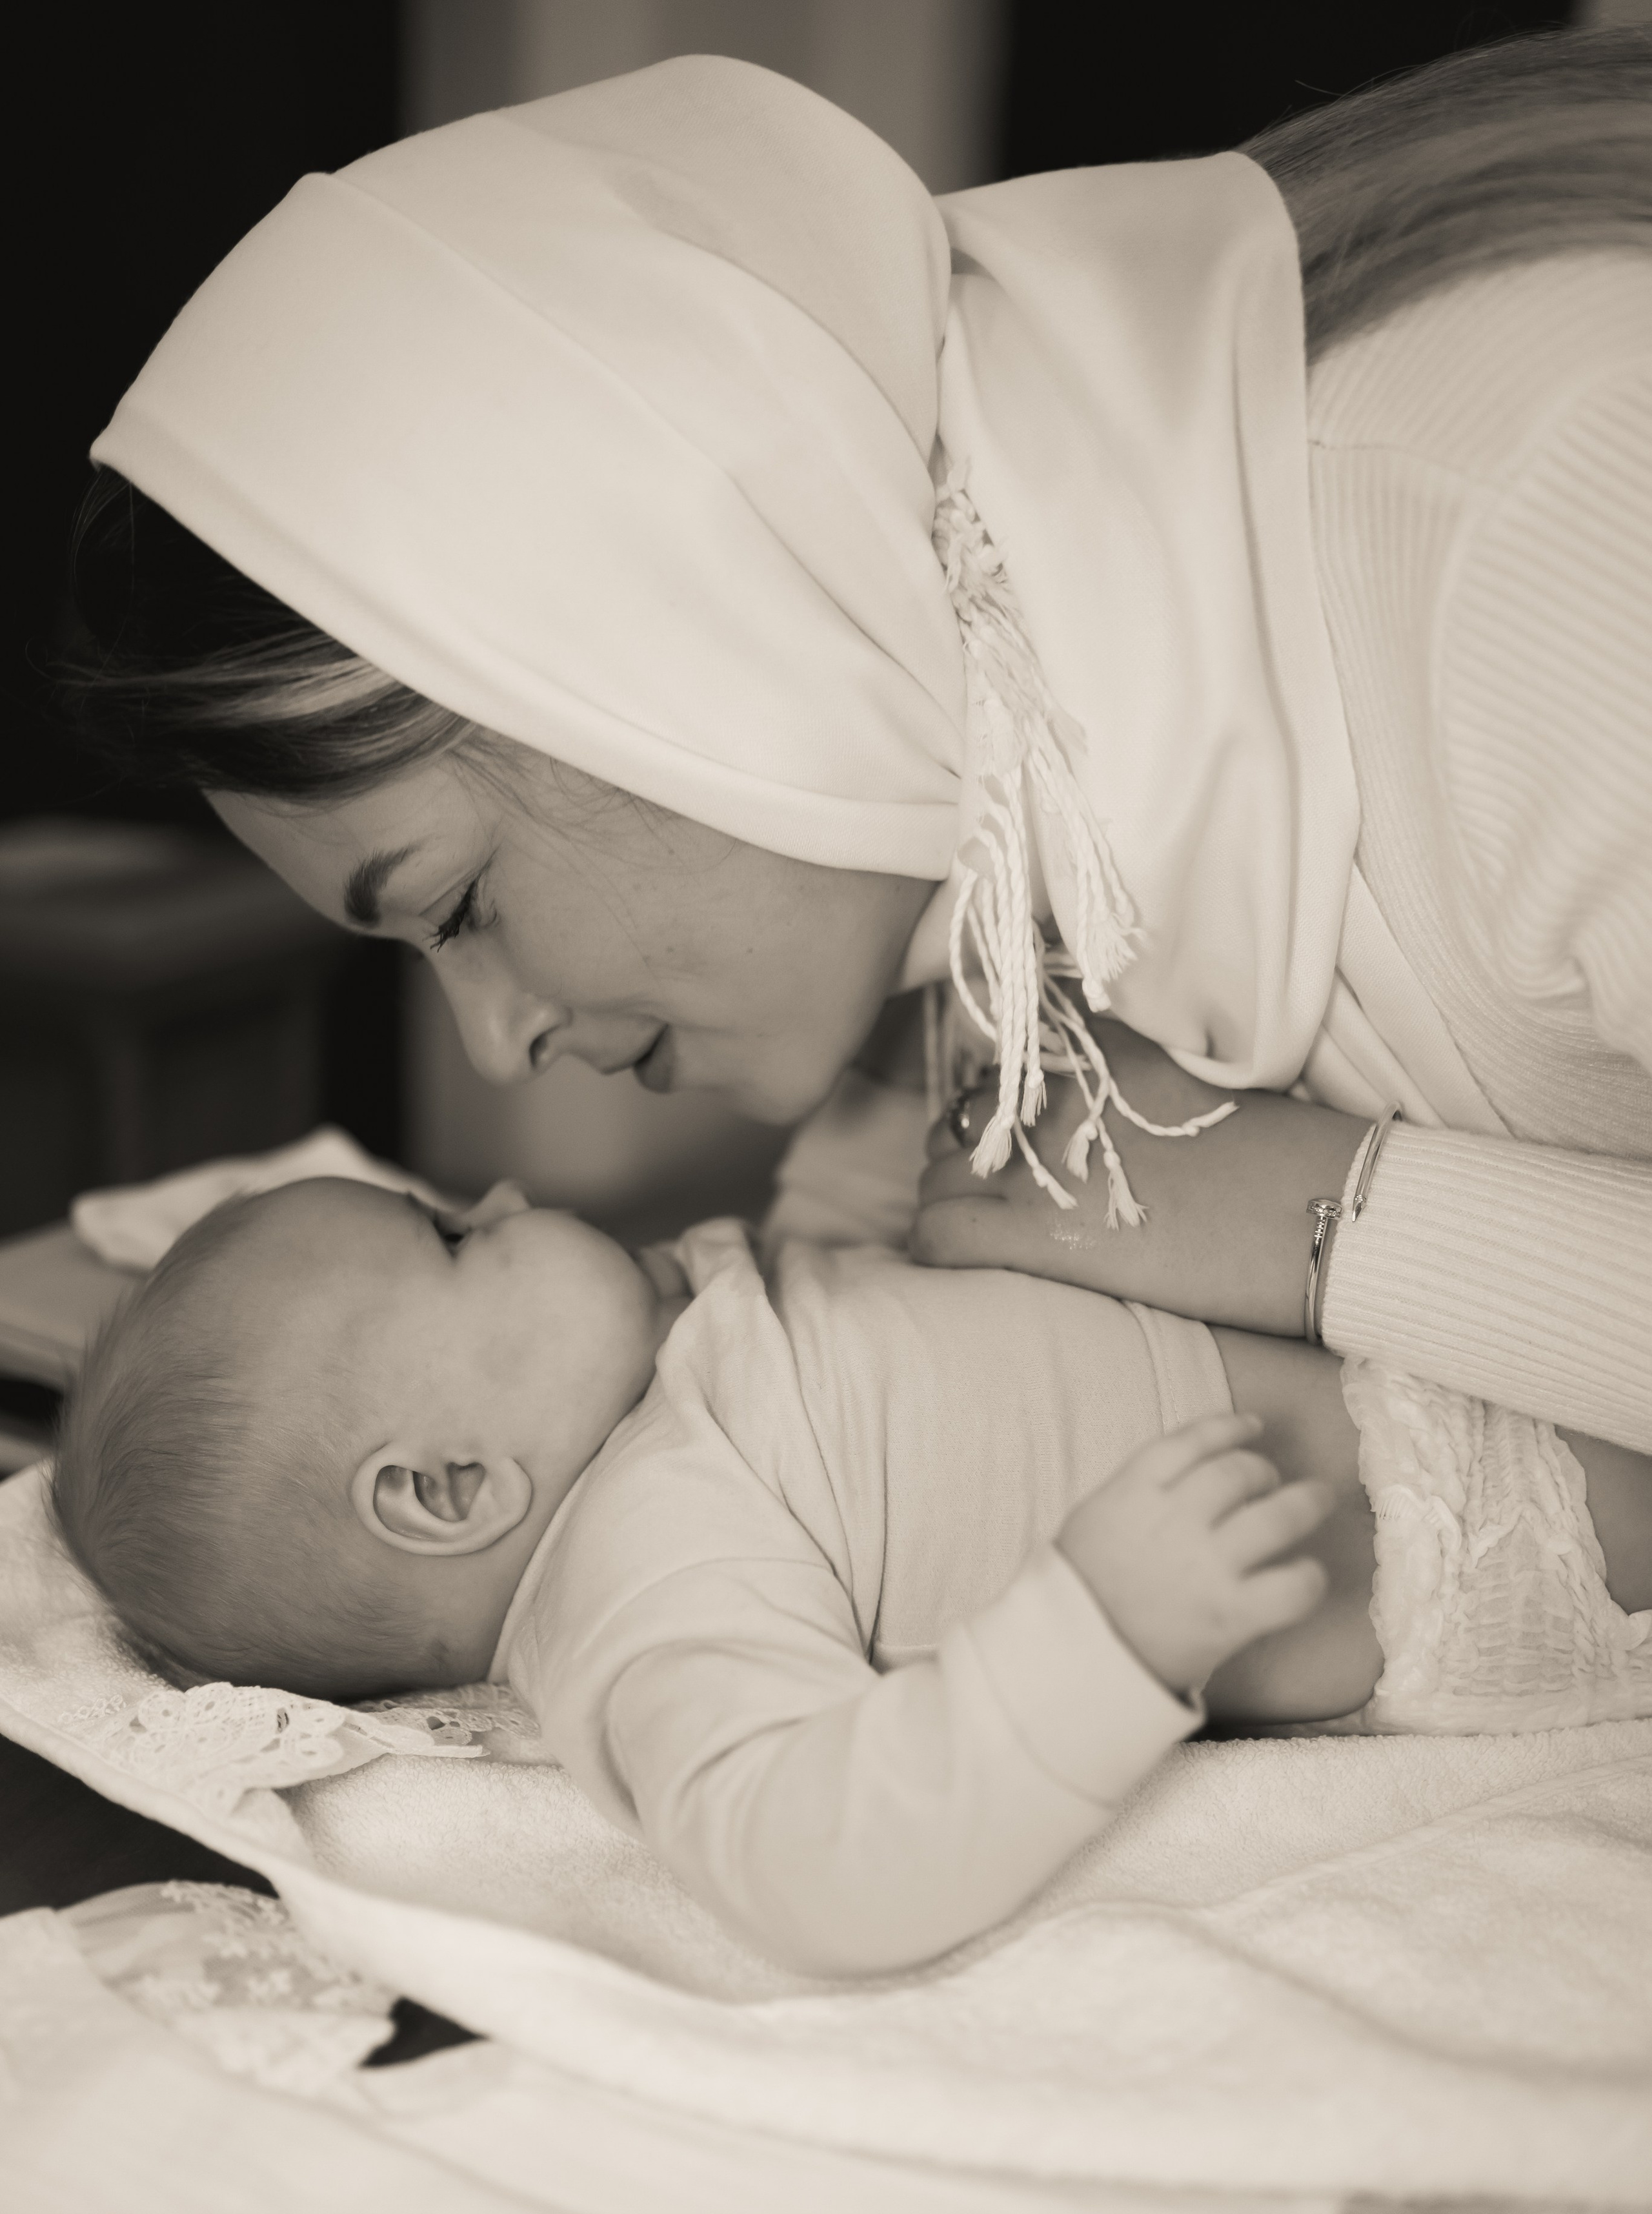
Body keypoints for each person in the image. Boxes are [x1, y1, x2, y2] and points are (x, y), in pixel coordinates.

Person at [61, 36, 1651, 1468]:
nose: (496, 1046)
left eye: (459, 905)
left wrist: (1321, 1221)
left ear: (672, 633)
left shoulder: (1550, 508)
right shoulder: (962, 786)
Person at [46, 1170, 1652, 1976]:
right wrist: (1093, 1635)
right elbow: (811, 1859)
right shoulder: (633, 1604)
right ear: (448, 1488)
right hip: (1440, 1538)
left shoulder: (658, 1359)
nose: (514, 1195)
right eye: (459, 1233)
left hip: (1376, 1350)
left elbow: (855, 1295)